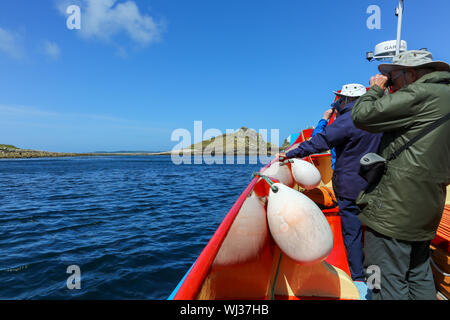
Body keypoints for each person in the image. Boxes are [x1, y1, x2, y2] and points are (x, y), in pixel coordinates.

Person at [351, 50, 450, 300]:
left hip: (394, 210)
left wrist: (374, 90)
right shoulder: (444, 97)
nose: (390, 84)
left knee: (381, 278)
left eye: (392, 78)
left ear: (412, 74)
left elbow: (362, 116)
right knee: (419, 274)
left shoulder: (420, 93)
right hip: (428, 207)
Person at [278, 84, 382, 281]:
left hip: (350, 187)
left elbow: (319, 142)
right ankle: (377, 275)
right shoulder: (378, 117)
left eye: (339, 98)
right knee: (375, 233)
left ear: (347, 100)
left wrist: (290, 153)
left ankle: (359, 278)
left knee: (352, 232)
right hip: (375, 184)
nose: (337, 102)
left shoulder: (347, 121)